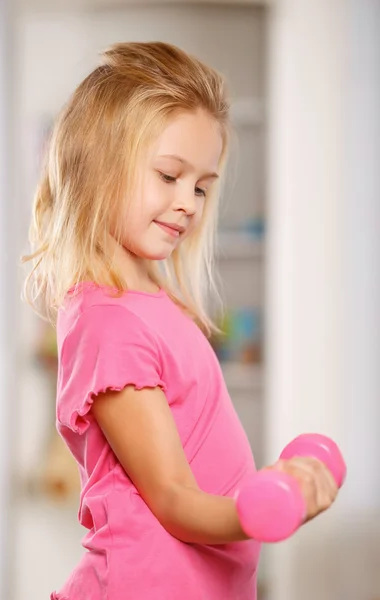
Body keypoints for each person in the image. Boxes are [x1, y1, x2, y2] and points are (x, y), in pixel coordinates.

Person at [22, 41, 338, 600]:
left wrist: (276, 489)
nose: (189, 202)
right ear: (98, 166)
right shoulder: (109, 321)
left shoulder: (152, 303)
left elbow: (199, 461)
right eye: (168, 176)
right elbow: (171, 498)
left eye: (200, 186)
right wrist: (259, 512)